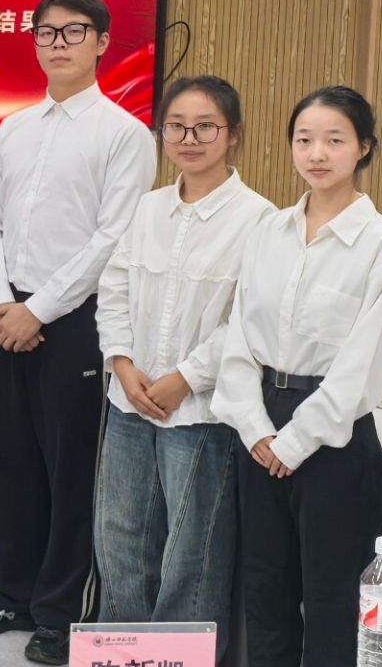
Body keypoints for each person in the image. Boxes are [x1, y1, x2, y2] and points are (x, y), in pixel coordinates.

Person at [0, 0, 156, 667]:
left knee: (70, 470)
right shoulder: (14, 128)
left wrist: (37, 309)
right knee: (6, 460)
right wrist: (1, 300)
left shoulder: (125, 135)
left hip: (74, 323)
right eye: (46, 32)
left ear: (101, 42)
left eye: (73, 32)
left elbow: (112, 239)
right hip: (5, 314)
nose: (58, 44)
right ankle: (9, 593)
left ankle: (60, 610)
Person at [211, 86, 382, 667]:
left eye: (334, 140)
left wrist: (295, 442)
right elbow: (240, 336)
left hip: (333, 433)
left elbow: (362, 364)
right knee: (265, 588)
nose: (317, 153)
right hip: (260, 425)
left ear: (364, 147)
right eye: (304, 140)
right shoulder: (269, 232)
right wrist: (255, 428)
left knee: (331, 598)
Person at [94, 76, 272, 638]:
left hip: (200, 410)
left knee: (191, 549)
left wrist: (184, 378)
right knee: (120, 534)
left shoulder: (259, 218)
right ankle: (122, 653)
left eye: (204, 127)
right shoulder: (149, 208)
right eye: (176, 127)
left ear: (233, 135)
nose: (189, 139)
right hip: (129, 398)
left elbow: (246, 320)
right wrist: (122, 364)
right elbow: (113, 289)